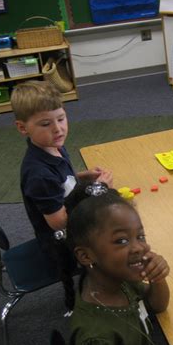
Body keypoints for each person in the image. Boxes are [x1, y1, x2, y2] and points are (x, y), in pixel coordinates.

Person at [61, 182, 173, 345]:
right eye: (121, 241)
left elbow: (157, 305)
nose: (140, 248)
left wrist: (157, 277)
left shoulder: (116, 278)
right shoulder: (97, 340)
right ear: (85, 256)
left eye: (140, 236)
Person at [11, 80, 113, 252]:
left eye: (61, 118)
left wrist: (81, 177)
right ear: (22, 127)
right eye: (46, 124)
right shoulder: (39, 174)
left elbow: (60, 182)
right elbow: (60, 223)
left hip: (73, 224)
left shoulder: (53, 146)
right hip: (64, 245)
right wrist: (98, 190)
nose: (58, 129)